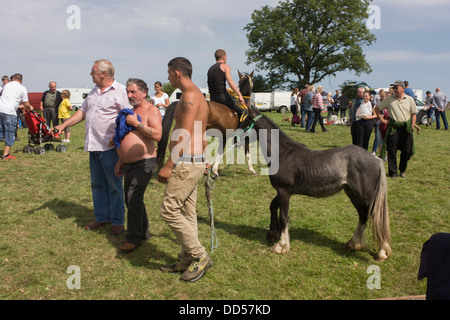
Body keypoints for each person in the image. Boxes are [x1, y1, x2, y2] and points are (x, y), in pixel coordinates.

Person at [54, 59, 130, 235]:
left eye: (93, 71)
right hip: (93, 145)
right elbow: (83, 112)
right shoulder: (94, 91)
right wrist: (63, 125)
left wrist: (117, 135)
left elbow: (127, 116)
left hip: (110, 148)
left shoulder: (120, 92)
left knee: (114, 185)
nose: (91, 74)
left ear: (103, 73)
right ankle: (102, 218)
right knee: (97, 184)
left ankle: (117, 221)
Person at [158, 57, 212, 282]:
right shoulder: (197, 94)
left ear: (178, 73)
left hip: (186, 161)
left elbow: (186, 132)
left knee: (169, 209)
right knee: (187, 213)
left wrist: (169, 164)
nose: (168, 77)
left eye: (169, 73)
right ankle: (187, 257)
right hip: (194, 159)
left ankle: (200, 256)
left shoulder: (190, 96)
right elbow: (203, 132)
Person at [113, 78, 162, 253]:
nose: (129, 95)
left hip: (145, 163)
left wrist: (137, 124)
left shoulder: (151, 110)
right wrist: (121, 160)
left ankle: (133, 239)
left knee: (133, 198)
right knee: (132, 199)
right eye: (128, 92)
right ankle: (143, 233)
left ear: (144, 92)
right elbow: (124, 137)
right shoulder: (130, 111)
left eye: (133, 91)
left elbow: (157, 135)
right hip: (128, 164)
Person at [374, 80, 417, 178]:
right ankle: (393, 172)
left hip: (406, 129)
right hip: (394, 129)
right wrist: (382, 119)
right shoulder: (389, 99)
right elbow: (377, 108)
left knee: (406, 150)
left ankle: (402, 170)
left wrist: (412, 127)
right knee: (392, 150)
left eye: (396, 88)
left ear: (402, 88)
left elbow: (414, 114)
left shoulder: (409, 99)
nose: (394, 90)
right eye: (393, 88)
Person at [207, 49, 247, 124]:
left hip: (212, 98)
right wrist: (239, 95)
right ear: (224, 58)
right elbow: (230, 82)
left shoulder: (210, 69)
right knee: (244, 110)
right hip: (222, 97)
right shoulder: (225, 66)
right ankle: (241, 132)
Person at [0, 73, 32, 159]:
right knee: (10, 132)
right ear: (21, 81)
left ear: (13, 78)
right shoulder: (22, 88)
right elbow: (25, 102)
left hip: (0, 109)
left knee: (1, 131)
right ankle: (6, 154)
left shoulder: (6, 85)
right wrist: (30, 107)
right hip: (10, 112)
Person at [372, 90, 386, 155]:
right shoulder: (378, 104)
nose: (382, 98)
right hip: (378, 123)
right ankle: (381, 154)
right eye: (381, 96)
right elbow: (374, 110)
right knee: (378, 139)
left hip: (386, 123)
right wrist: (378, 115)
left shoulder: (388, 105)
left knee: (385, 139)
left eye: (384, 96)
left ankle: (385, 154)